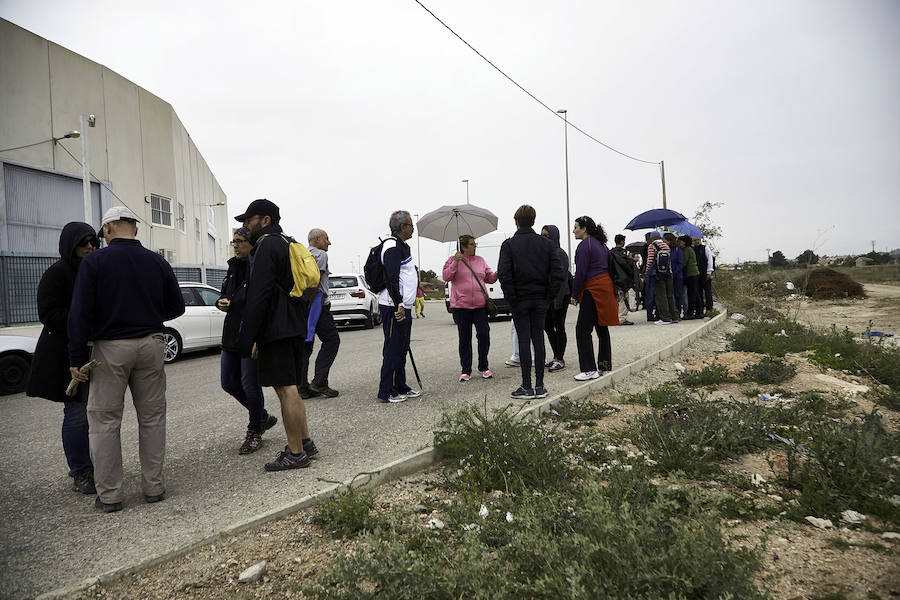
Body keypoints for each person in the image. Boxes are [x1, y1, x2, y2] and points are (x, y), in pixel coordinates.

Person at [67, 206, 185, 513]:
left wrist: (77, 357)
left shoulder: (94, 262)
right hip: (151, 344)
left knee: (105, 421)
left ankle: (111, 496)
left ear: (107, 229)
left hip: (110, 349)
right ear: (135, 228)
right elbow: (176, 307)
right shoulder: (157, 261)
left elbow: (79, 314)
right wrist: (147, 314)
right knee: (152, 417)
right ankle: (154, 488)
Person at [236, 199, 318, 471]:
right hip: (294, 325)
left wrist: (249, 337)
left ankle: (295, 453)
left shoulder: (266, 245)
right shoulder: (287, 242)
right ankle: (305, 442)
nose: (245, 225)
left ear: (265, 220)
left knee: (286, 389)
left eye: (249, 219)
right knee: (291, 386)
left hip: (276, 329)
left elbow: (259, 295)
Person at [26, 222, 100, 496]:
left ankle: (94, 464)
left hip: (96, 352)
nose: (91, 247)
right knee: (77, 412)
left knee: (96, 412)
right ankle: (81, 470)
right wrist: (82, 319)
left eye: (94, 242)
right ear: (70, 245)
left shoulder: (96, 270)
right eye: (84, 243)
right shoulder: (57, 273)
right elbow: (48, 313)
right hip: (65, 353)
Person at [217, 228, 277, 455]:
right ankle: (261, 416)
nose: (236, 245)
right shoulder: (233, 268)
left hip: (251, 335)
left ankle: (255, 431)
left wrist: (258, 338)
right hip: (231, 334)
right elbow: (227, 296)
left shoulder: (257, 269)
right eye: (233, 241)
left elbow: (262, 303)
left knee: (249, 385)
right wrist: (221, 302)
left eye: (240, 241)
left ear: (251, 245)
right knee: (227, 383)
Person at [498, 205, 565, 400]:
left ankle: (526, 386)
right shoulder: (547, 245)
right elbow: (558, 274)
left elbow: (504, 275)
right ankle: (540, 386)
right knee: (539, 340)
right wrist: (548, 297)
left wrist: (512, 298)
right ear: (534, 221)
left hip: (520, 300)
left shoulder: (509, 245)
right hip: (540, 300)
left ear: (516, 221)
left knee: (524, 341)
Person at [376, 210, 423, 403]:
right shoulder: (392, 246)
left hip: (404, 305)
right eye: (411, 225)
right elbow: (391, 278)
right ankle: (387, 391)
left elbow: (404, 276)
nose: (413, 228)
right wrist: (399, 304)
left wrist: (418, 285)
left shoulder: (402, 246)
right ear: (402, 227)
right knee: (393, 348)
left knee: (402, 348)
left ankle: (401, 385)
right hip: (393, 305)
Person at [442, 234, 499, 382]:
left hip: (480, 306)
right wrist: (455, 262)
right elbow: (446, 277)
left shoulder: (480, 260)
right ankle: (466, 370)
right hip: (461, 307)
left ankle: (483, 367)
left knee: (484, 334)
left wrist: (498, 273)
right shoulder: (452, 260)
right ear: (464, 246)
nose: (475, 246)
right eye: (472, 244)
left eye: (475, 243)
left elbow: (489, 278)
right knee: (464, 338)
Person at [571, 217, 619, 380]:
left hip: (593, 288)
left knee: (582, 329)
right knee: (602, 327)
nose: (574, 230)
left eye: (576, 227)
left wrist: (574, 294)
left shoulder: (585, 245)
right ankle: (605, 367)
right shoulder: (601, 244)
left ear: (584, 229)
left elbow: (581, 273)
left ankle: (588, 369)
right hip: (606, 287)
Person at [298, 228, 341, 399]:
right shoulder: (321, 255)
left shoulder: (302, 254)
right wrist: (311, 304)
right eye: (326, 239)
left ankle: (302, 388)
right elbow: (315, 281)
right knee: (332, 340)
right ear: (316, 239)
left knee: (305, 347)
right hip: (317, 305)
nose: (329, 242)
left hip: (301, 306)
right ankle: (319, 382)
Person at [540, 225, 571, 371]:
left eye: (546, 235)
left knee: (559, 326)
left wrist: (557, 299)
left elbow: (561, 278)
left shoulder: (560, 253)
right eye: (542, 235)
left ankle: (560, 358)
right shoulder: (544, 253)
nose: (543, 238)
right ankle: (555, 356)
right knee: (547, 325)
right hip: (548, 297)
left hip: (560, 296)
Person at [646, 231, 677, 325]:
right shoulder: (666, 246)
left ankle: (665, 318)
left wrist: (647, 272)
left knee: (661, 296)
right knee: (670, 295)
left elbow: (650, 260)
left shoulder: (652, 246)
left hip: (657, 275)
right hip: (668, 273)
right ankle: (674, 317)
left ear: (652, 238)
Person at [609, 234, 636, 326]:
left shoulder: (610, 253)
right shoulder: (624, 253)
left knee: (615, 299)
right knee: (623, 299)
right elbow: (627, 266)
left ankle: (613, 317)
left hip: (613, 278)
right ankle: (622, 318)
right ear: (621, 242)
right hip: (623, 278)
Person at [680, 235, 701, 319]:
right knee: (695, 293)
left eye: (680, 241)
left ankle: (691, 313)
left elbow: (684, 262)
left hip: (691, 274)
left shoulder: (687, 250)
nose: (679, 243)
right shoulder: (688, 249)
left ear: (684, 242)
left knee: (692, 294)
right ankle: (698, 311)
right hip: (692, 274)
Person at [664, 232, 684, 319]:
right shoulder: (665, 250)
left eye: (664, 240)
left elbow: (681, 263)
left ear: (669, 240)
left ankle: (677, 313)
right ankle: (670, 313)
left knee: (677, 295)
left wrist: (674, 272)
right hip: (668, 276)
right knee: (669, 295)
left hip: (677, 276)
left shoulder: (677, 250)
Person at [693, 237, 715, 315]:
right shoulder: (693, 249)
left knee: (707, 292)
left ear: (700, 240)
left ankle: (709, 308)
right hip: (696, 274)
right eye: (695, 240)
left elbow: (710, 260)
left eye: (698, 240)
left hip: (705, 274)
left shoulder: (705, 248)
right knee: (698, 292)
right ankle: (700, 309)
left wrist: (709, 272)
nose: (696, 242)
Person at [640, 232, 657, 321]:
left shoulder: (652, 246)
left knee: (651, 293)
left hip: (651, 271)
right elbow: (647, 260)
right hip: (650, 271)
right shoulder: (647, 247)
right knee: (649, 292)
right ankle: (649, 313)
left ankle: (652, 312)